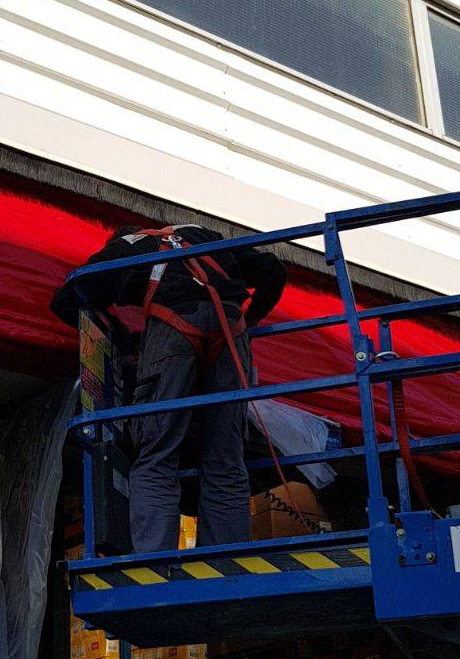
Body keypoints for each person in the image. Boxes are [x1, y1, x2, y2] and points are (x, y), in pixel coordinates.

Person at [52, 223, 287, 553]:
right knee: (226, 459)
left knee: (157, 455)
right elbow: (274, 271)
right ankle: (225, 561)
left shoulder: (126, 247)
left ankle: (154, 562)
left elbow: (66, 298)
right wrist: (250, 321)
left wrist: (120, 337)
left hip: (171, 330)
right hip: (230, 331)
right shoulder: (205, 235)